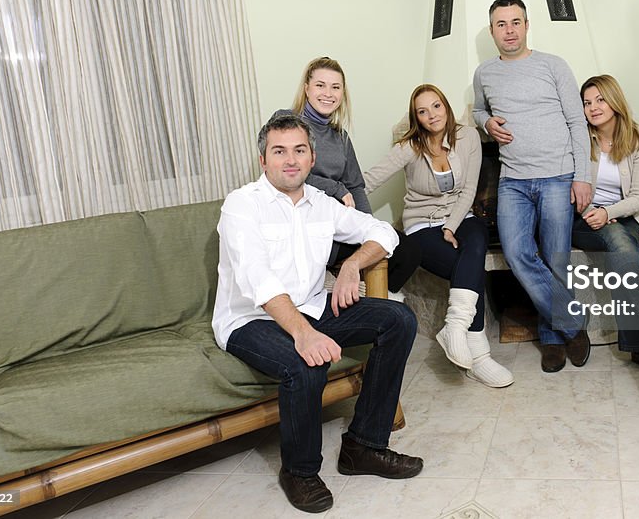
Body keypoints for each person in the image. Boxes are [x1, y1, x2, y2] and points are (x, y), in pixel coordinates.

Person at [212, 114, 422, 514]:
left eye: (299, 150)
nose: (290, 160)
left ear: (311, 158)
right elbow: (258, 280)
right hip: (250, 319)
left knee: (399, 320)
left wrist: (352, 265)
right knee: (305, 363)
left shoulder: (321, 204)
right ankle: (300, 471)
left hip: (311, 305)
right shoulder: (241, 205)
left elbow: (384, 234)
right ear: (263, 161)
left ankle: (364, 446)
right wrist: (304, 335)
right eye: (279, 151)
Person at [472, 0, 593, 373]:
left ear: (527, 25)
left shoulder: (553, 66)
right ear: (493, 31)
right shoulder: (484, 74)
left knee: (556, 260)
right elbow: (478, 109)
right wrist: (485, 122)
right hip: (513, 181)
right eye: (501, 24)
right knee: (519, 254)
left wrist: (582, 176)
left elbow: (577, 122)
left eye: (516, 22)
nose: (509, 30)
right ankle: (573, 324)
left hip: (557, 176)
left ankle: (553, 338)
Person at [365, 84, 514, 387]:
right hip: (422, 223)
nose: (431, 115)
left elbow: (470, 188)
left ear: (445, 106)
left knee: (475, 243)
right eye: (422, 111)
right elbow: (370, 179)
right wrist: (336, 200)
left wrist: (451, 226)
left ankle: (455, 329)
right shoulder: (409, 147)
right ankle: (479, 356)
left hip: (461, 216)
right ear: (416, 118)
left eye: (436, 106)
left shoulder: (468, 136)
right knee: (469, 269)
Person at [272, 56, 421, 295]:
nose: (328, 93)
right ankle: (337, 284)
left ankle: (369, 297)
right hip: (305, 222)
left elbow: (355, 185)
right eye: (320, 85)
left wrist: (369, 227)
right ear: (307, 89)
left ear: (342, 93)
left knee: (407, 249)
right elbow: (282, 172)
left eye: (336, 87)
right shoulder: (286, 120)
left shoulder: (339, 136)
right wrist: (334, 188)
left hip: (339, 222)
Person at [574, 74, 639, 373]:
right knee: (621, 244)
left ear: (614, 100)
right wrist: (595, 212)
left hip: (624, 214)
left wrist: (609, 213)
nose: (593, 107)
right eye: (587, 102)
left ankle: (638, 342)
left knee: (626, 247)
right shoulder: (581, 139)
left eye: (600, 99)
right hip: (583, 218)